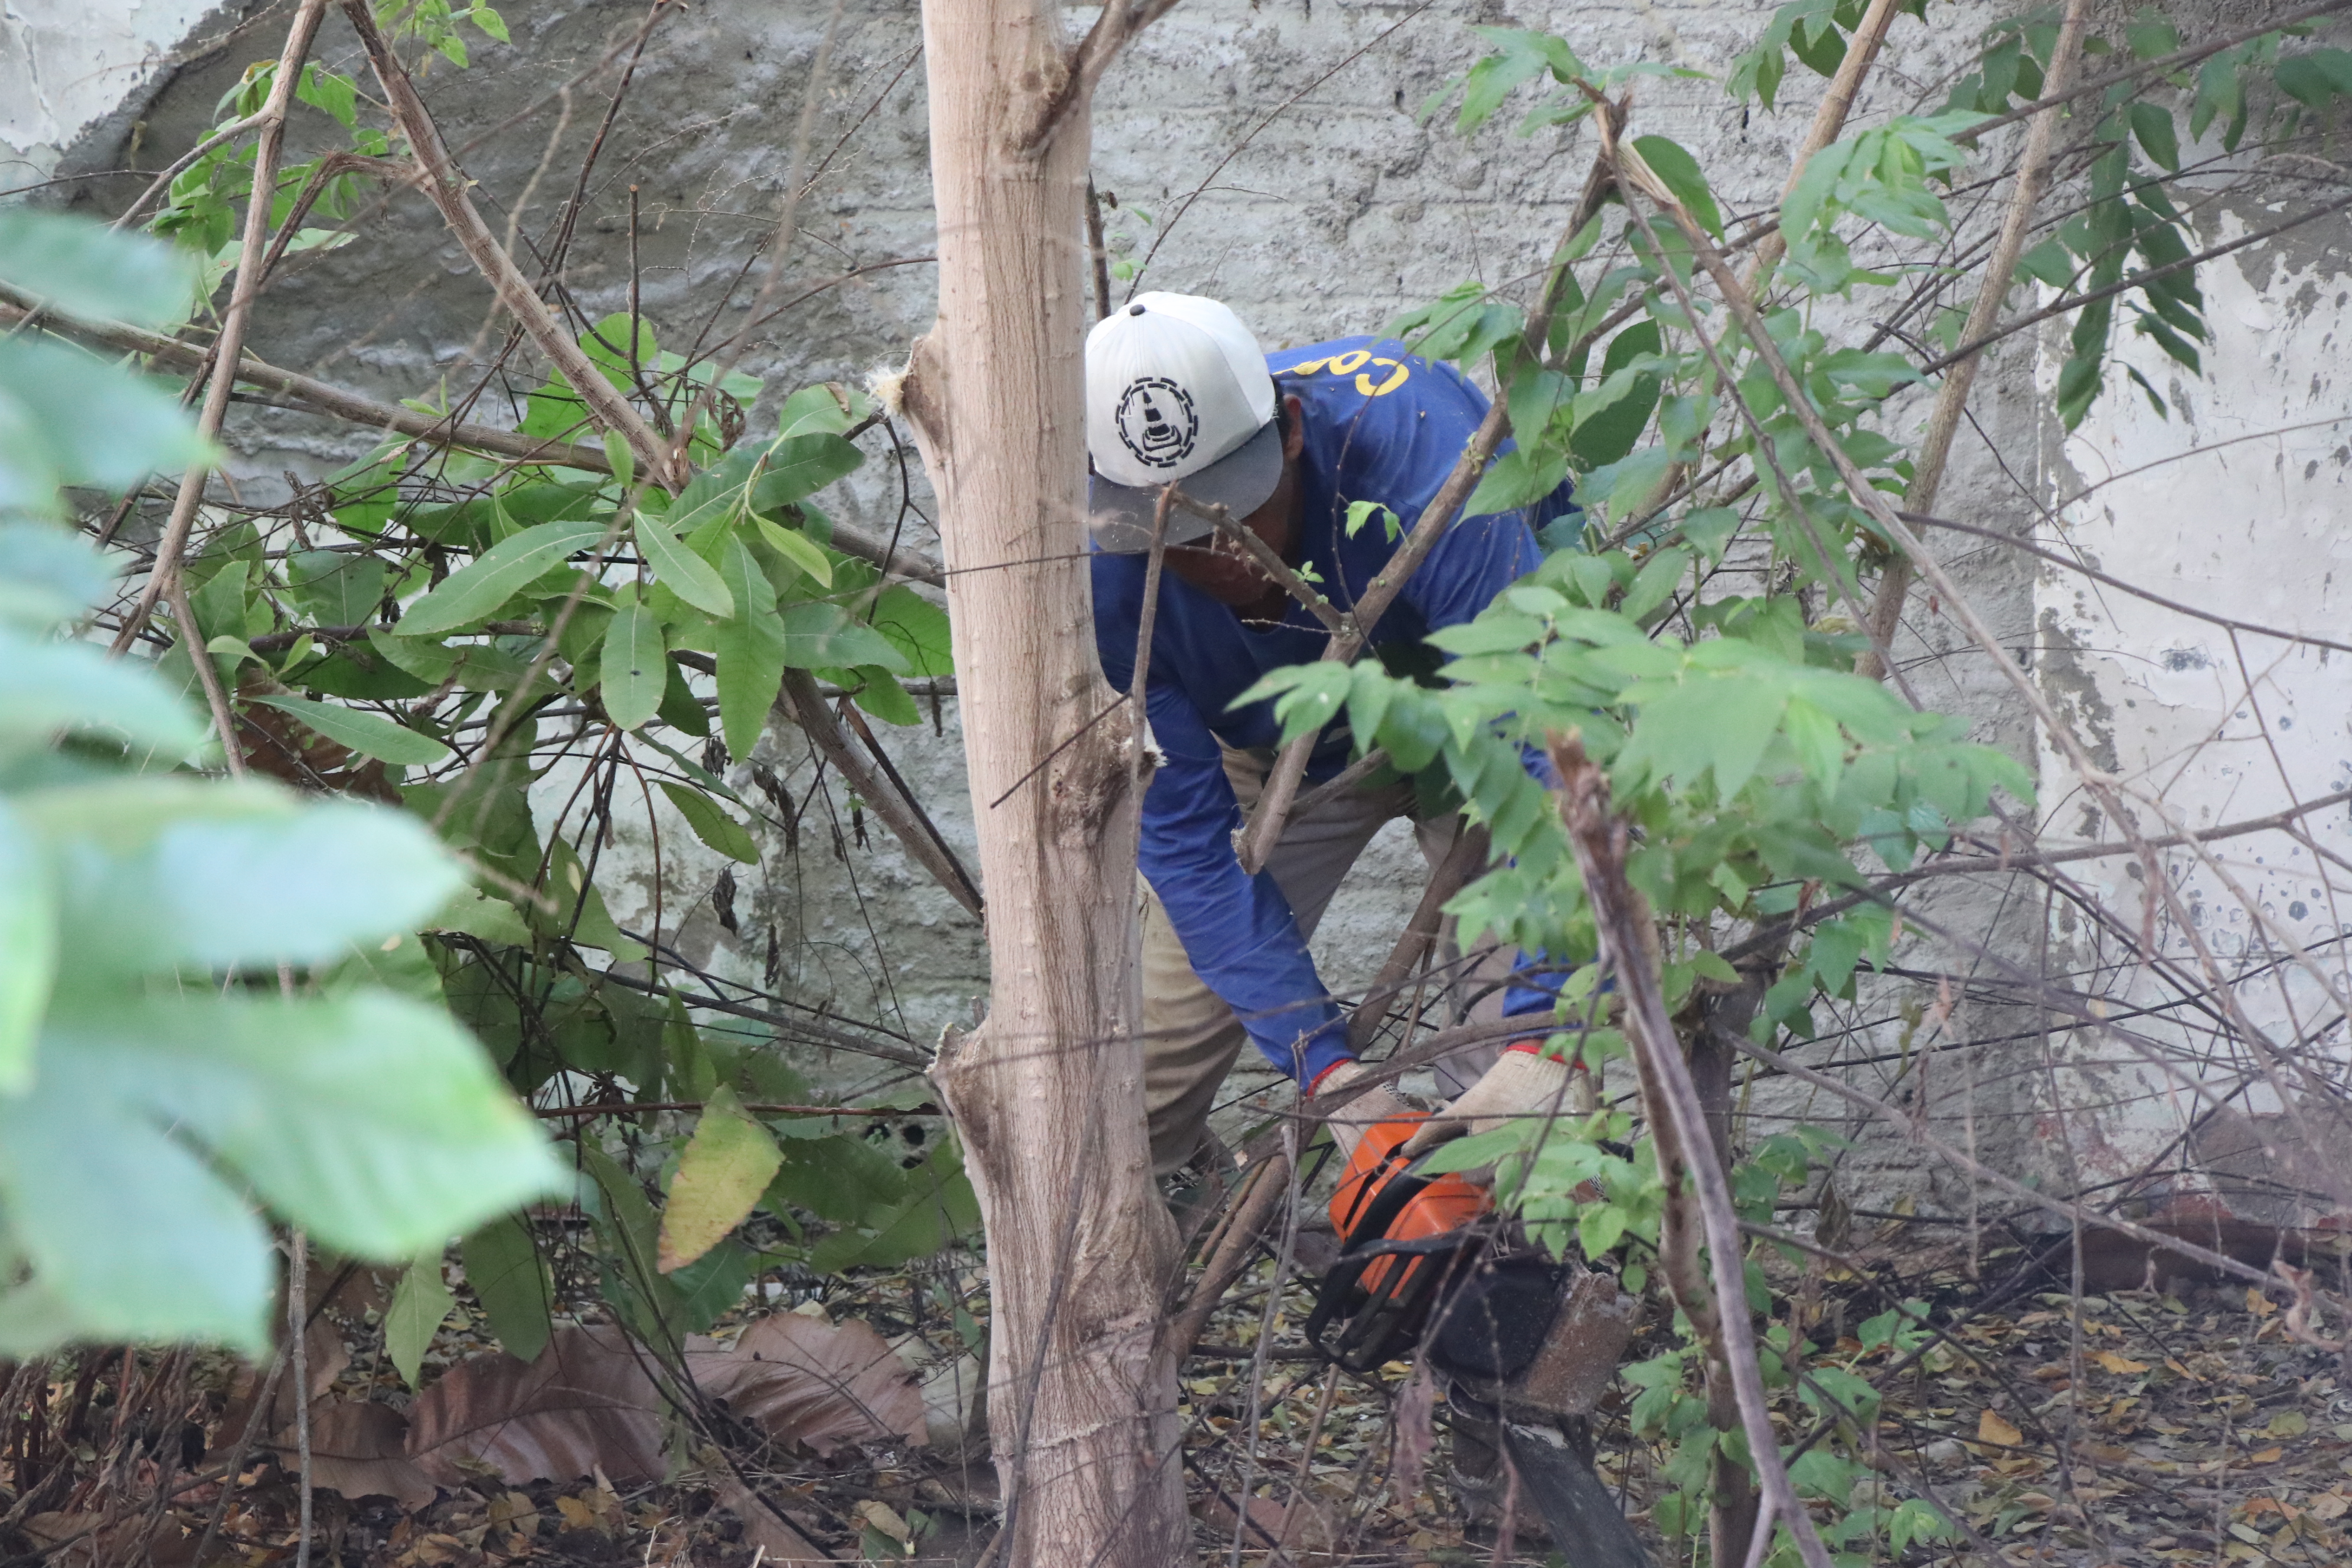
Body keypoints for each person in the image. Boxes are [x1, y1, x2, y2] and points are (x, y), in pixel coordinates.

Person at [1086, 292, 1580, 1175]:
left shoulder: (1424, 454)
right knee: (1145, 1078)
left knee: (1515, 1051)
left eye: (1239, 513)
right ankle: (1161, 1254)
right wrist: (1332, 1075)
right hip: (1277, 750)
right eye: (1185, 537)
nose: (1221, 554)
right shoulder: (1111, 572)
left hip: (1477, 719)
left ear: (1292, 433)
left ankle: (1510, 1256)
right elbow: (1193, 851)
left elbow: (1549, 738)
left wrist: (1544, 1036)